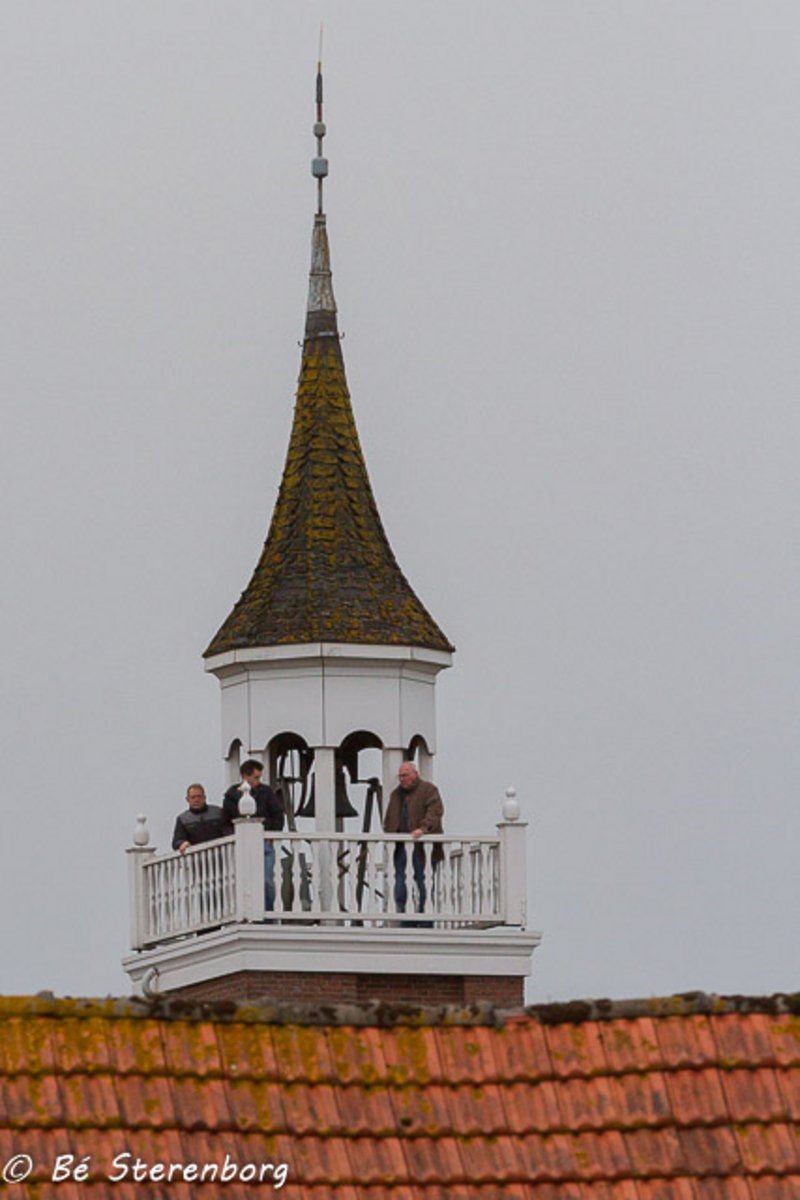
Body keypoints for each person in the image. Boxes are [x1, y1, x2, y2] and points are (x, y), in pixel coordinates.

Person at [383, 762, 444, 922]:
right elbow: (389, 819)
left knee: (425, 886)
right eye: (400, 776)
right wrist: (390, 833)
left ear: (414, 774)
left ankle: (425, 922)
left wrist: (423, 829)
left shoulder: (429, 790)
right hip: (401, 849)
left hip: (423, 849)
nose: (402, 779)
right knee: (400, 888)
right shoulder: (396, 795)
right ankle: (406, 921)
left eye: (405, 775)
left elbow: (435, 813)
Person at [223, 760, 285, 911]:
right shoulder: (231, 796)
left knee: (267, 882)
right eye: (256, 777)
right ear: (245, 776)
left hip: (264, 845)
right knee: (243, 882)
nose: (259, 781)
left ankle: (267, 915)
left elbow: (278, 815)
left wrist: (271, 834)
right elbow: (225, 822)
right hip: (240, 847)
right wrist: (234, 838)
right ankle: (247, 913)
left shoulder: (266, 792)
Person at [172, 784, 232, 853]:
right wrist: (182, 843)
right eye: (193, 797)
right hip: (197, 857)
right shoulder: (183, 819)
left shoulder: (218, 812)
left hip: (220, 854)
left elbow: (228, 831)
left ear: (204, 798)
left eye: (199, 797)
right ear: (187, 799)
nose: (196, 800)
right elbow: (176, 842)